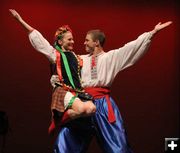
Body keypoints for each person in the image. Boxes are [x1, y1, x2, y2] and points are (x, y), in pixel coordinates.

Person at [53, 21, 172, 153]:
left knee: (118, 146)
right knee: (66, 141)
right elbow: (64, 65)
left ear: (96, 42)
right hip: (84, 103)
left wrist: (152, 33)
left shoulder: (111, 57)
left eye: (87, 40)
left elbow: (131, 47)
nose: (84, 43)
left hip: (102, 105)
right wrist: (57, 78)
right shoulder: (79, 59)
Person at [9, 9, 96, 134]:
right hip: (63, 91)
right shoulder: (55, 54)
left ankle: (64, 117)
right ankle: (58, 121)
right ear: (60, 42)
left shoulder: (77, 58)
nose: (73, 42)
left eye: (72, 39)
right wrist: (20, 20)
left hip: (77, 91)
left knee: (92, 109)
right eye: (69, 39)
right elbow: (39, 40)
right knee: (83, 109)